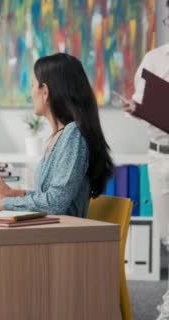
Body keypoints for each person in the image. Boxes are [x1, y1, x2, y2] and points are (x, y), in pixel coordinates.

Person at [0, 53, 114, 218]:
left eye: (32, 85)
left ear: (45, 92)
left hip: (64, 238)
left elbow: (55, 203)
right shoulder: (56, 137)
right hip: (47, 232)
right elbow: (46, 197)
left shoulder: (73, 135)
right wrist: (10, 193)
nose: (30, 93)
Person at [123, 3, 169, 319]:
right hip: (159, 157)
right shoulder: (153, 59)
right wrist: (137, 109)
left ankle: (167, 305)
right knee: (166, 234)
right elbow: (143, 104)